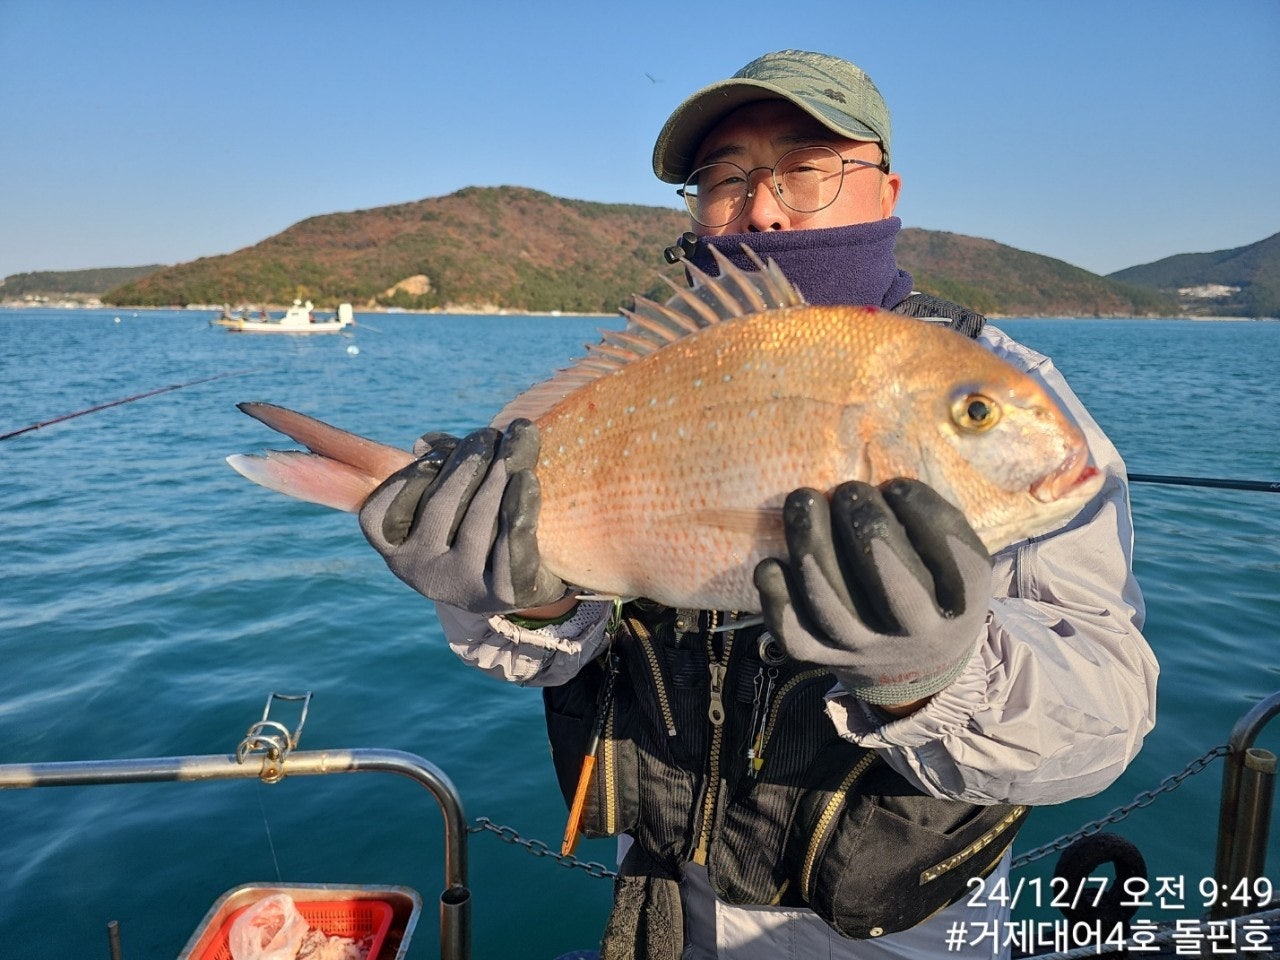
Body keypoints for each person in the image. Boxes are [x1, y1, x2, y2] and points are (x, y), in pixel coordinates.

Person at [357, 50, 1158, 959]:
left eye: (807, 168)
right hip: (662, 908)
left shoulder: (1012, 388)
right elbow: (549, 647)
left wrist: (937, 676)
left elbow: (1107, 721)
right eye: (725, 179)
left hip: (905, 935)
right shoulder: (644, 375)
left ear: (887, 189)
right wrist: (524, 601)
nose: (764, 208)